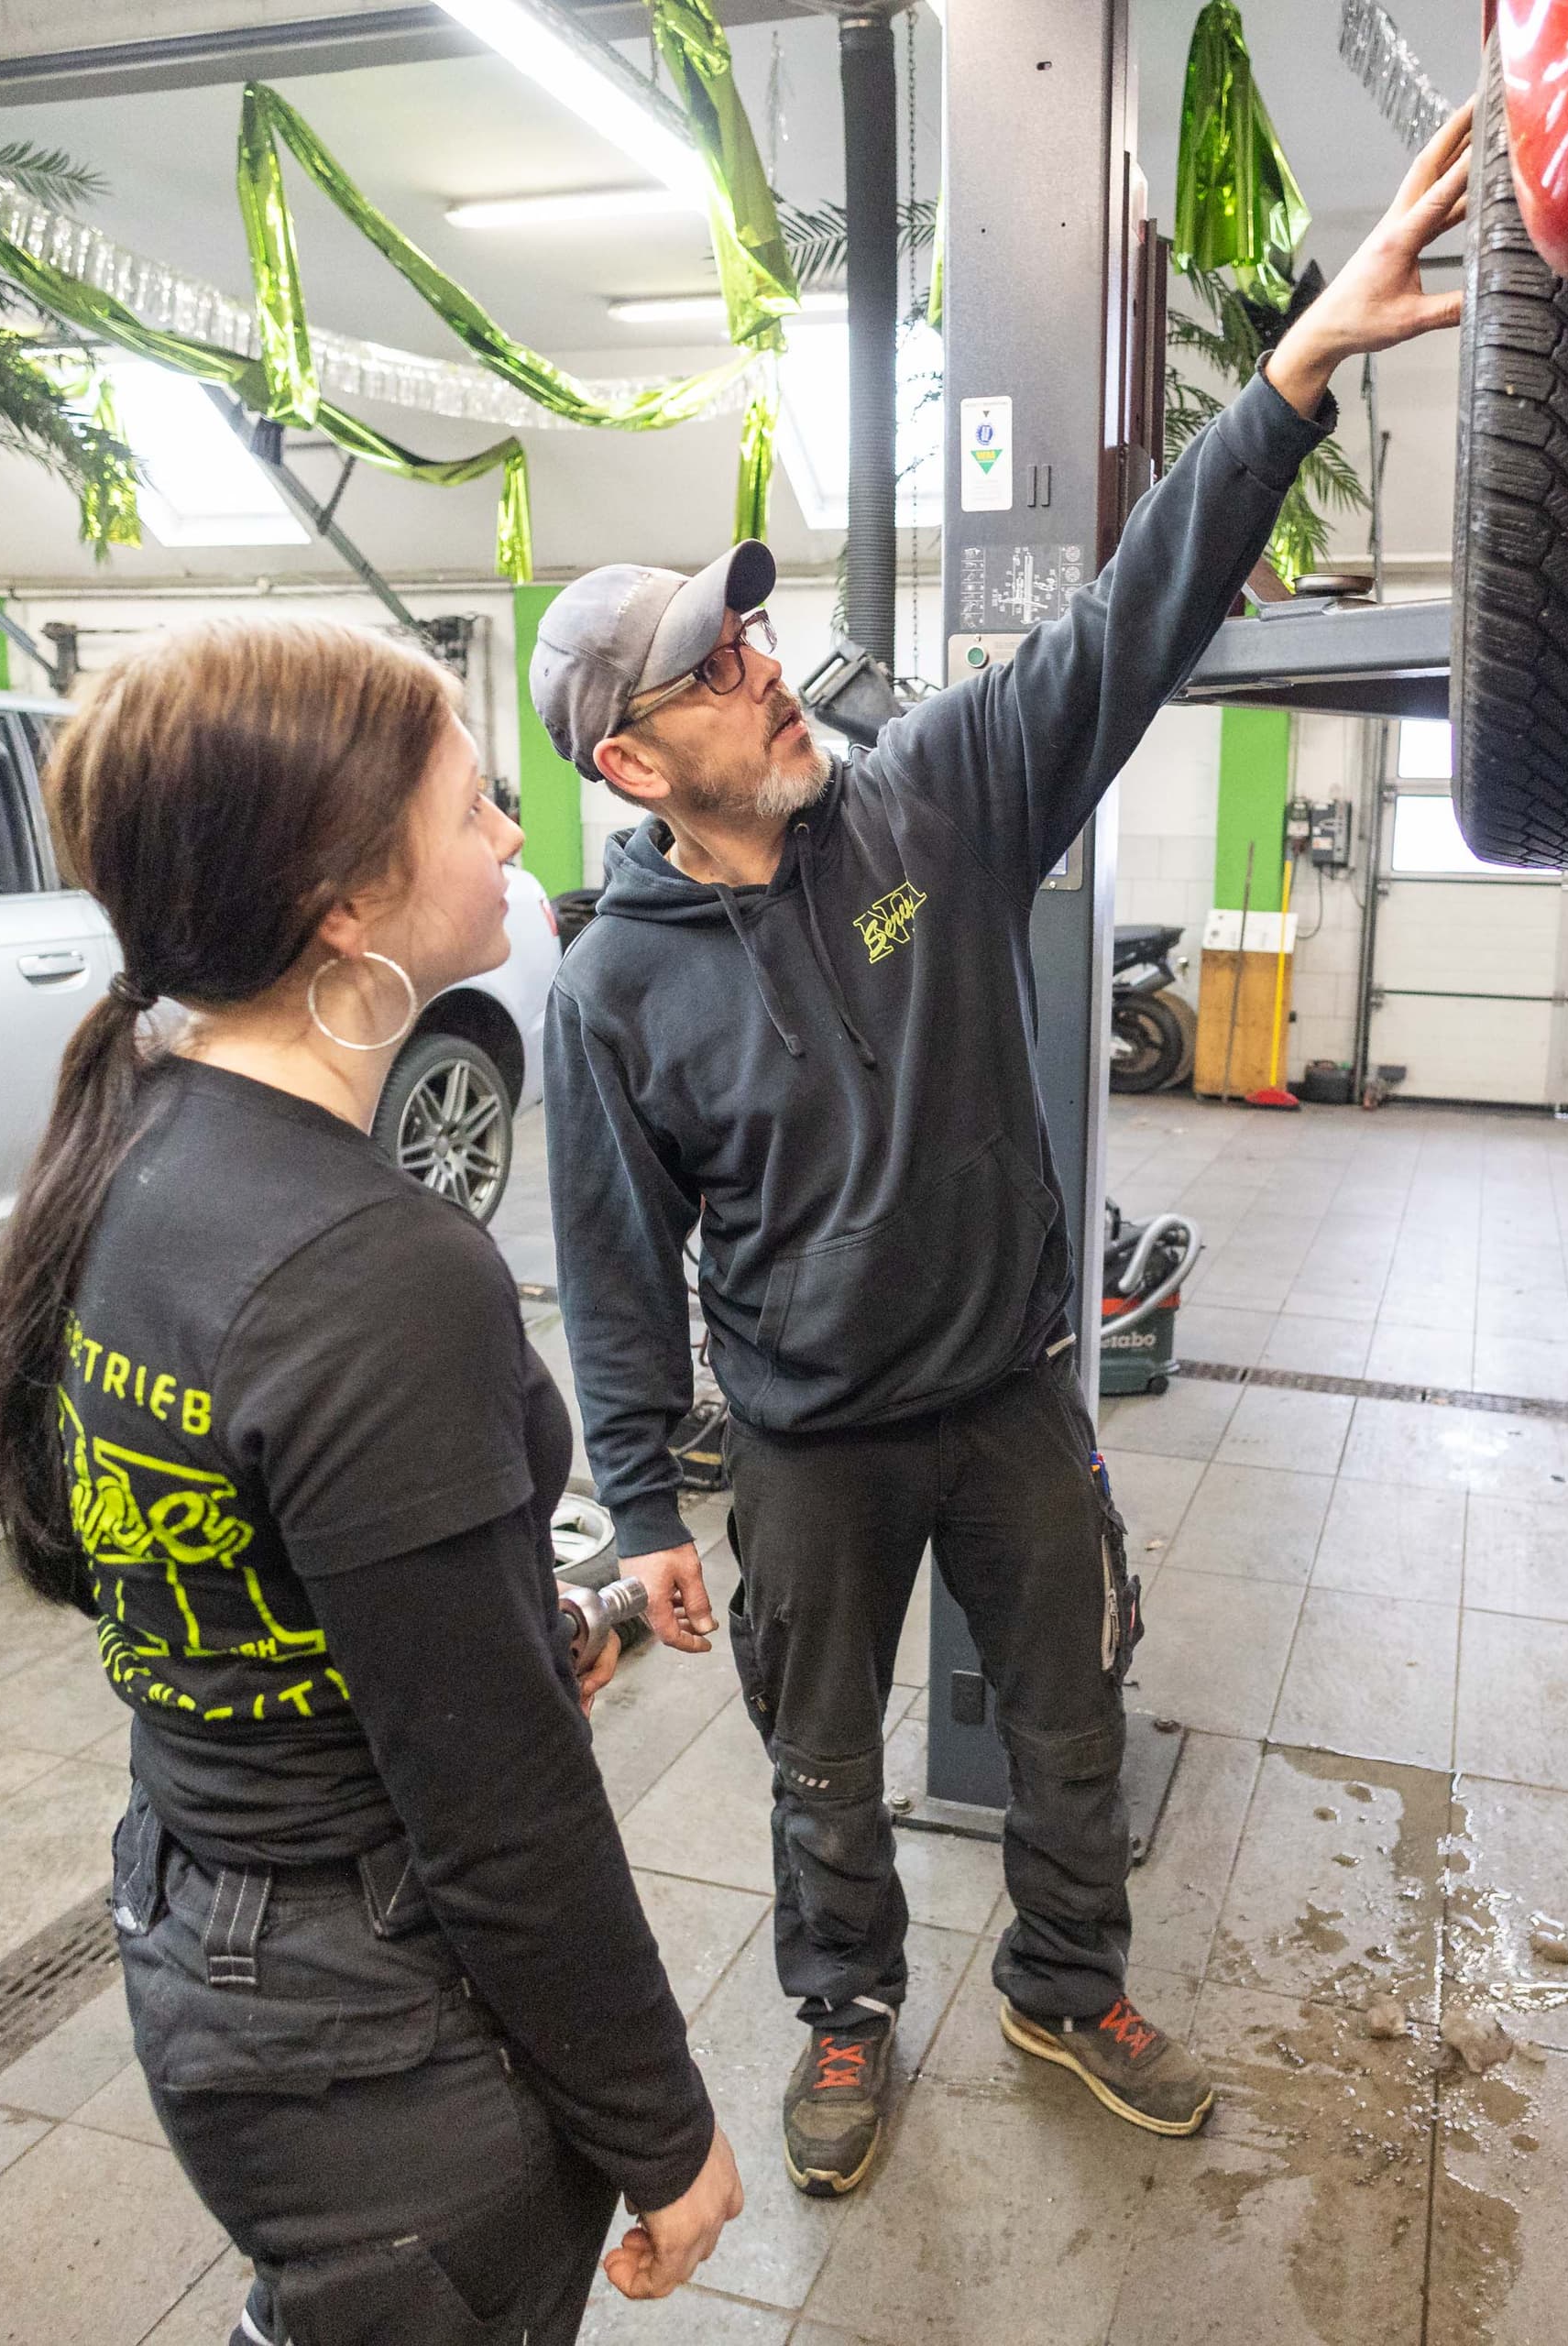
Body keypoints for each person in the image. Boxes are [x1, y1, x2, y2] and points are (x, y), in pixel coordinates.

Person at [532, 110, 1475, 2198]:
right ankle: (847, 2018)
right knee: (819, 1769)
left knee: (1071, 1727)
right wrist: (636, 1498)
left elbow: (1129, 621)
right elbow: (610, 1264)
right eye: (711, 667)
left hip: (1010, 1401)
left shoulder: (935, 797)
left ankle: (1067, 1975)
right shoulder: (612, 992)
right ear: (628, 756)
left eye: (753, 637)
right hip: (800, 1443)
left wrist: (1294, 376)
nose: (763, 668)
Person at [0, 619, 740, 2345]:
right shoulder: (377, 1267)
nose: (512, 839)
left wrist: (496, 1617)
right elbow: (497, 1809)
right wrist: (663, 2127)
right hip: (373, 2025)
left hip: (203, 1924)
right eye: (475, 805)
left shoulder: (140, 1142)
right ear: (342, 902)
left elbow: (178, 1552)